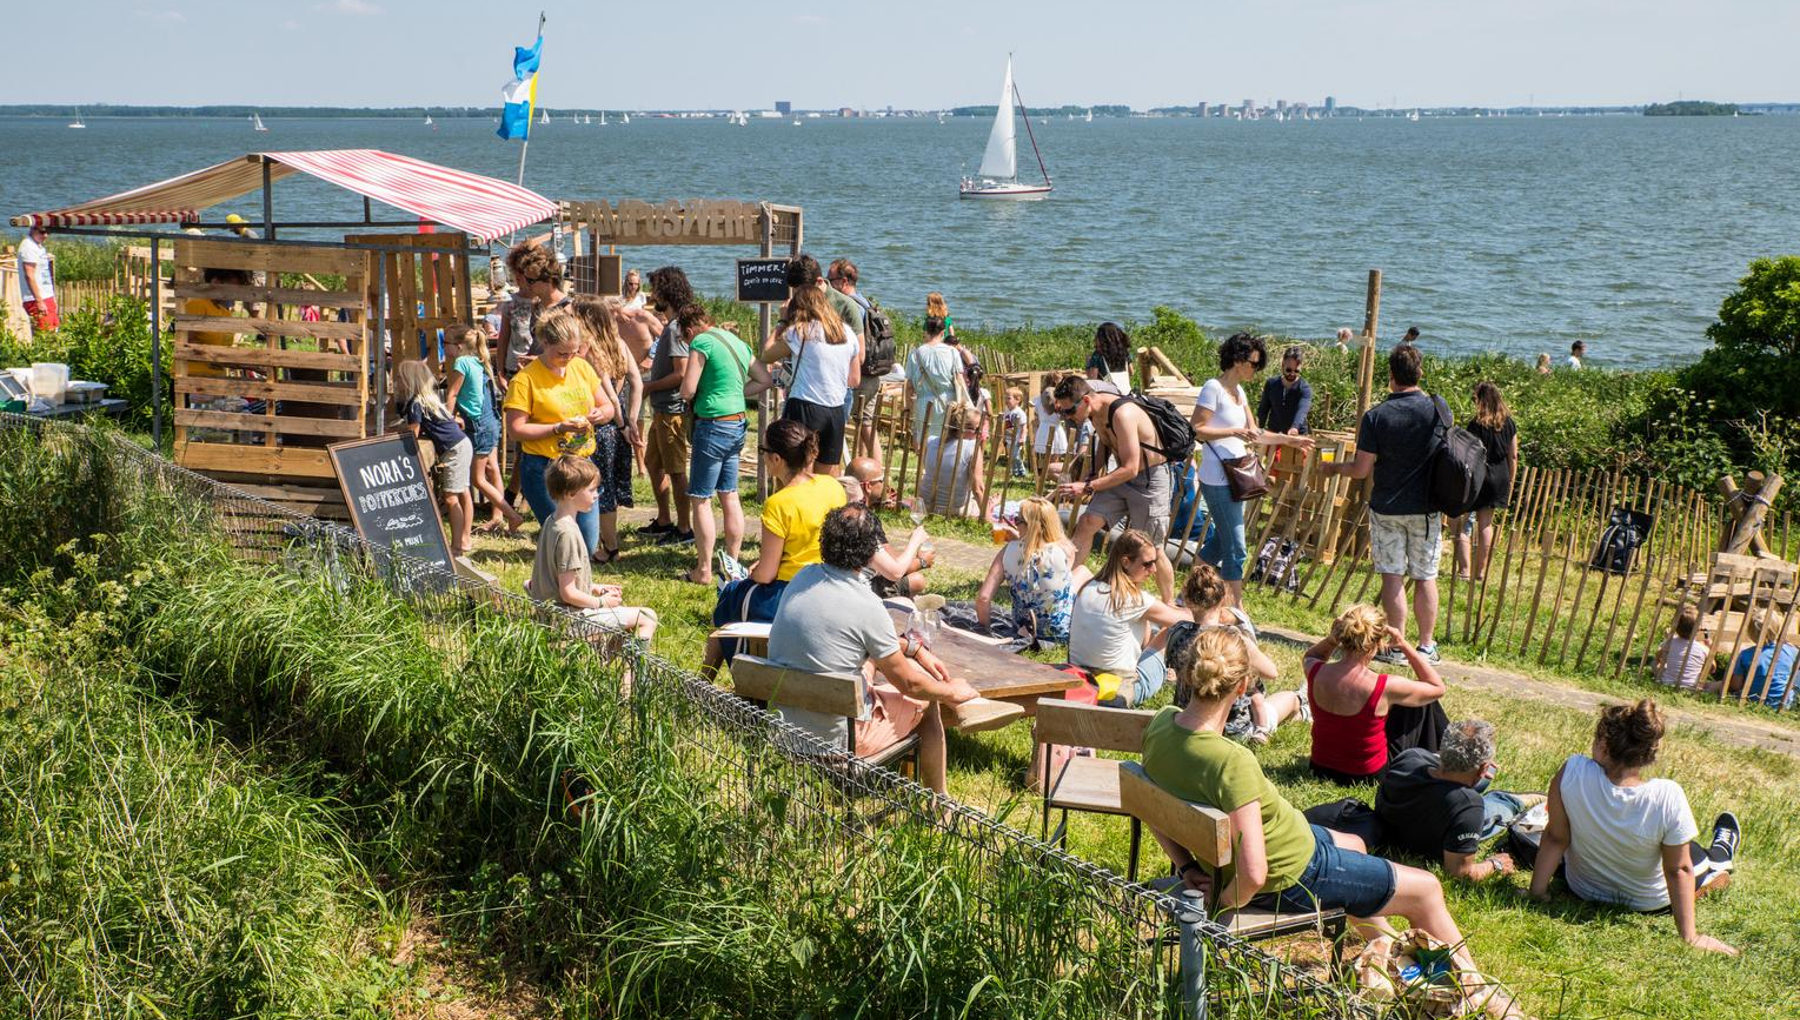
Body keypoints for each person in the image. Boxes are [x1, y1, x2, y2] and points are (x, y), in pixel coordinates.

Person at [1141, 628, 1524, 1019]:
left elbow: (1150, 806)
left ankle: (1391, 949)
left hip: (1269, 851)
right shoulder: (1229, 762)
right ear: (1242, 687)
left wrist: (1187, 866)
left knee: (1354, 844)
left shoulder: (1162, 724)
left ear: (1187, 674)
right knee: (1425, 888)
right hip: (1293, 876)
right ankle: (1480, 994)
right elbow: (1254, 875)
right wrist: (1220, 906)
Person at [766, 504, 982, 795]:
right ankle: (939, 803)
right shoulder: (867, 604)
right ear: (871, 553)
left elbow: (857, 641)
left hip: (787, 729)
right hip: (839, 741)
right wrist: (951, 691)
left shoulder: (802, 578)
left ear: (824, 541)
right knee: (928, 704)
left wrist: (911, 648)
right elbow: (910, 684)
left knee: (870, 667)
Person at [1530, 700, 1741, 956]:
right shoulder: (1667, 795)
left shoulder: (1572, 771)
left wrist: (1537, 893)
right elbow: (1678, 869)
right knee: (1698, 856)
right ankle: (1723, 852)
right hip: (1649, 903)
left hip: (1582, 889)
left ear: (1605, 746)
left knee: (1681, 848)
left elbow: (1555, 837)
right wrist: (1691, 936)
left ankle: (1720, 851)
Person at [1320, 343, 1446, 663]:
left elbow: (1361, 470)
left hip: (1387, 506)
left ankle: (1394, 647)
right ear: (1420, 372)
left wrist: (1334, 467)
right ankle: (1427, 646)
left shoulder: (1376, 416)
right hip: (1427, 506)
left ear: (1391, 377)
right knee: (1425, 576)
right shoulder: (1438, 410)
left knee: (1392, 576)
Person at [706, 422, 846, 670]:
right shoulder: (832, 486)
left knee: (728, 595)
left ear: (776, 458)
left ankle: (715, 679)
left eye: (763, 450)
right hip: (830, 583)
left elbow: (767, 574)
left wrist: (751, 573)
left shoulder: (778, 504)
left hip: (790, 593)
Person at [1189, 333, 1314, 605]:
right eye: (1254, 363)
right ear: (1237, 360)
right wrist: (1233, 431)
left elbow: (1254, 434)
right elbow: (1196, 429)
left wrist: (1290, 439)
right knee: (1238, 549)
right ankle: (1237, 609)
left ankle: (1186, 595)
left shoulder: (1240, 392)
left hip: (1239, 477)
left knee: (1222, 543)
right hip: (1218, 477)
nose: (1256, 369)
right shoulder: (1214, 388)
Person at [1053, 375, 1179, 603]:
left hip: (1149, 479)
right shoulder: (1095, 413)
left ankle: (1169, 605)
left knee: (1151, 549)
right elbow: (1106, 441)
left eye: (1068, 412)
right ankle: (1066, 589)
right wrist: (1094, 471)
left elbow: (1131, 468)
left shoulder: (1123, 413)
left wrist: (1089, 486)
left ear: (1085, 401)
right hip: (1121, 476)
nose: (1066, 418)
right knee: (1087, 522)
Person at [1303, 604, 1448, 785]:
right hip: (1366, 776)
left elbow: (1312, 655)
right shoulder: (1385, 685)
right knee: (1423, 702)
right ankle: (1444, 756)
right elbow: (1437, 688)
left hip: (1319, 768)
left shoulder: (1315, 671)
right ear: (1378, 643)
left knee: (1407, 699)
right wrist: (1404, 645)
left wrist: (1332, 640)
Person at [1164, 563, 1305, 745]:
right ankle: (1304, 704)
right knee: (1291, 699)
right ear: (1223, 599)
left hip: (1186, 721)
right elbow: (1272, 673)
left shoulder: (1177, 633)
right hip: (1235, 730)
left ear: (1187, 599)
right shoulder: (1235, 640)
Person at [502, 308, 607, 554]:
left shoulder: (581, 367)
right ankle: (559, 585)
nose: (569, 359)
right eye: (562, 353)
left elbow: (607, 406)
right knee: (564, 541)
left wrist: (601, 414)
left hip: (582, 466)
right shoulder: (524, 380)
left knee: (588, 544)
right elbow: (516, 430)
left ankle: (568, 582)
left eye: (573, 352)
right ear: (544, 343)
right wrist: (558, 428)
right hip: (544, 468)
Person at [525, 455, 658, 643]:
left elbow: (557, 579)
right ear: (571, 493)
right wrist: (601, 603)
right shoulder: (568, 533)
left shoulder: (552, 521)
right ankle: (634, 673)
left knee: (626, 622)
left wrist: (594, 588)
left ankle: (612, 670)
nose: (597, 495)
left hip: (551, 616)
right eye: (592, 490)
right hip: (568, 621)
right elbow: (567, 593)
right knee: (647, 616)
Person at [677, 303, 765, 585]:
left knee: (701, 499)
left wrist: (687, 393)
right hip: (737, 422)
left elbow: (688, 389)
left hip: (713, 423)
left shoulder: (701, 341)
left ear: (689, 330)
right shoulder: (736, 341)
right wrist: (738, 392)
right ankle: (732, 564)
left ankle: (703, 569)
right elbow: (765, 378)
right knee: (729, 494)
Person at [1374, 720, 1517, 883]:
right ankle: (1514, 800)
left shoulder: (1409, 758)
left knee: (1480, 781)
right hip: (1441, 828)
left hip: (1400, 826)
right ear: (1482, 768)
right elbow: (1460, 872)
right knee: (1503, 805)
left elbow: (1434, 760)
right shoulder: (1469, 806)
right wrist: (1495, 864)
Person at [1067, 531, 1189, 708]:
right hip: (1118, 686)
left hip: (1080, 680)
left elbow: (1144, 638)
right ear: (1125, 562)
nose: (1153, 570)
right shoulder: (1134, 600)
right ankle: (1172, 673)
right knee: (1169, 630)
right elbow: (1185, 620)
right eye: (1147, 564)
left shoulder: (1088, 587)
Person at [571, 296, 642, 563]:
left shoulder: (590, 351)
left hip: (602, 425)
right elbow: (637, 383)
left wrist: (623, 424)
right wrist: (633, 419)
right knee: (608, 485)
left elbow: (610, 397)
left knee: (599, 488)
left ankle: (609, 546)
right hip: (619, 425)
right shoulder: (620, 345)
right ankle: (608, 543)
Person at [769, 279, 860, 475]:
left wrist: (782, 321)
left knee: (799, 472)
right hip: (835, 409)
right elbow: (855, 379)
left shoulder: (800, 331)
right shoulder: (847, 333)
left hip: (805, 405)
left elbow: (766, 354)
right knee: (826, 476)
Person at [968, 495, 1084, 645]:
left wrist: (986, 629)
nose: (1015, 524)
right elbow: (1053, 580)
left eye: (1018, 520)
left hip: (1022, 627)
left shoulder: (1007, 551)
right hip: (1060, 632)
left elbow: (983, 598)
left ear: (1027, 525)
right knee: (1082, 572)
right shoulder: (1067, 550)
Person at [443, 325, 524, 536]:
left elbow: (452, 394)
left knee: (477, 479)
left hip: (478, 425)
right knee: (493, 468)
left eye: (446, 344)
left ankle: (512, 515)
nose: (444, 348)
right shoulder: (479, 361)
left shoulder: (461, 362)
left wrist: (447, 421)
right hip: (490, 421)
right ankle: (498, 517)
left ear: (458, 346)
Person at [393, 360, 474, 557]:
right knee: (462, 492)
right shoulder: (429, 399)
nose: (396, 382)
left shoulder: (415, 403)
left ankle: (456, 547)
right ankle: (464, 539)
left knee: (450, 497)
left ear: (408, 381)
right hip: (462, 445)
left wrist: (396, 430)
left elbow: (413, 431)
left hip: (454, 450)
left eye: (399, 378)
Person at [639, 266, 694, 545]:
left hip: (671, 409)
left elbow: (681, 373)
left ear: (667, 292)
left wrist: (649, 386)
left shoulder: (674, 329)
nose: (652, 294)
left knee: (675, 470)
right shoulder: (670, 326)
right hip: (662, 409)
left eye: (656, 289)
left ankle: (684, 529)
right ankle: (664, 519)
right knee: (653, 463)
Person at [1452, 382, 1518, 582]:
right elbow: (1513, 456)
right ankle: (1480, 573)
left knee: (1460, 523)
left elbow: (1468, 454)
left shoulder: (1476, 424)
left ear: (1481, 401)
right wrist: (1511, 479)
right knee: (1486, 525)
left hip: (1478, 476)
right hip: (1500, 476)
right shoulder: (1510, 423)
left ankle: (1464, 570)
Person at [845, 457, 933, 597]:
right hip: (859, 588)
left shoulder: (841, 511)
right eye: (881, 480)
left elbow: (886, 555)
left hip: (838, 582)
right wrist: (921, 560)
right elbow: (895, 569)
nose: (886, 485)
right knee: (917, 580)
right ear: (868, 486)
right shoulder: (865, 520)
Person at [828, 258, 884, 461]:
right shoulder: (866, 302)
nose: (827, 285)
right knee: (867, 424)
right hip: (873, 372)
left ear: (843, 281)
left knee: (839, 423)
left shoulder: (848, 306)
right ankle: (877, 470)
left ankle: (839, 464)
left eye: (830, 279)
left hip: (857, 372)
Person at [499, 242, 570, 377]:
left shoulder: (567, 309)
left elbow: (577, 355)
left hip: (554, 380)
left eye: (530, 281)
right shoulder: (537, 305)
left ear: (547, 281)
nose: (526, 284)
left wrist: (538, 360)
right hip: (533, 375)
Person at [905, 315, 964, 444]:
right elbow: (959, 380)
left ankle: (926, 463)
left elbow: (909, 386)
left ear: (925, 332)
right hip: (949, 402)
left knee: (925, 441)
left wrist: (909, 408)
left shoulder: (915, 354)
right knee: (947, 440)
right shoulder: (952, 352)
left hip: (924, 402)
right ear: (943, 333)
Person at [1723, 610, 1800, 708]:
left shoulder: (1745, 655)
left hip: (1753, 700)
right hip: (1785, 703)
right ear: (1778, 629)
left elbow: (1735, 686)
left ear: (1750, 632)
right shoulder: (1792, 651)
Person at [918, 401, 982, 516]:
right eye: (977, 430)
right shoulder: (972, 447)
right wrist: (990, 521)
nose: (979, 434)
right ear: (963, 428)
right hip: (954, 510)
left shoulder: (930, 441)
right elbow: (977, 489)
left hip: (924, 507)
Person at [1654, 605, 1714, 691]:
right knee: (1717, 684)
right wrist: (1710, 648)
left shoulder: (1670, 642)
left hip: (1667, 684)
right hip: (1691, 687)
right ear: (1698, 630)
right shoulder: (1703, 648)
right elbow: (1712, 669)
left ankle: (1663, 678)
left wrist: (1668, 639)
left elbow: (1657, 657)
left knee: (1654, 663)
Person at [1257, 346, 1313, 436]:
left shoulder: (1304, 388)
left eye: (1296, 371)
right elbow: (1263, 410)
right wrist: (1258, 429)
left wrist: (1295, 427)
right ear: (1282, 365)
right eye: (1289, 370)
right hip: (1274, 434)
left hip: (1297, 435)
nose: (1292, 374)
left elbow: (1302, 410)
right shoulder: (1271, 384)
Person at [17, 224, 58, 333]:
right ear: (32, 229)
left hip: (46, 296)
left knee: (53, 332)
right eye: (42, 232)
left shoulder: (37, 246)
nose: (45, 235)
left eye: (48, 232)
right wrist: (39, 301)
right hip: (36, 299)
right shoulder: (28, 247)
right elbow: (29, 275)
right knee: (44, 334)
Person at [1033, 371, 1071, 481]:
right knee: (1054, 457)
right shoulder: (1059, 398)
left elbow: (1036, 414)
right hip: (1054, 427)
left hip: (1046, 427)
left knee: (1049, 457)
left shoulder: (1039, 399)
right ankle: (1054, 477)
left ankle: (1051, 476)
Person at [1087, 322, 1134, 393]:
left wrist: (1088, 365)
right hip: (1127, 393)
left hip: (1110, 395)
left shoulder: (1098, 355)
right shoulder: (1124, 352)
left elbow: (1093, 379)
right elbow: (1131, 372)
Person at [1001, 387, 1030, 477]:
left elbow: (1024, 426)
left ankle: (1021, 471)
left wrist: (1022, 438)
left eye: (1008, 398)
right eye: (1005, 398)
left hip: (1017, 439)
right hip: (1009, 438)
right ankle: (1015, 472)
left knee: (1015, 456)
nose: (1006, 400)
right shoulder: (1007, 410)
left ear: (1017, 400)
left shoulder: (1019, 412)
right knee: (1012, 456)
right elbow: (1006, 424)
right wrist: (1004, 437)